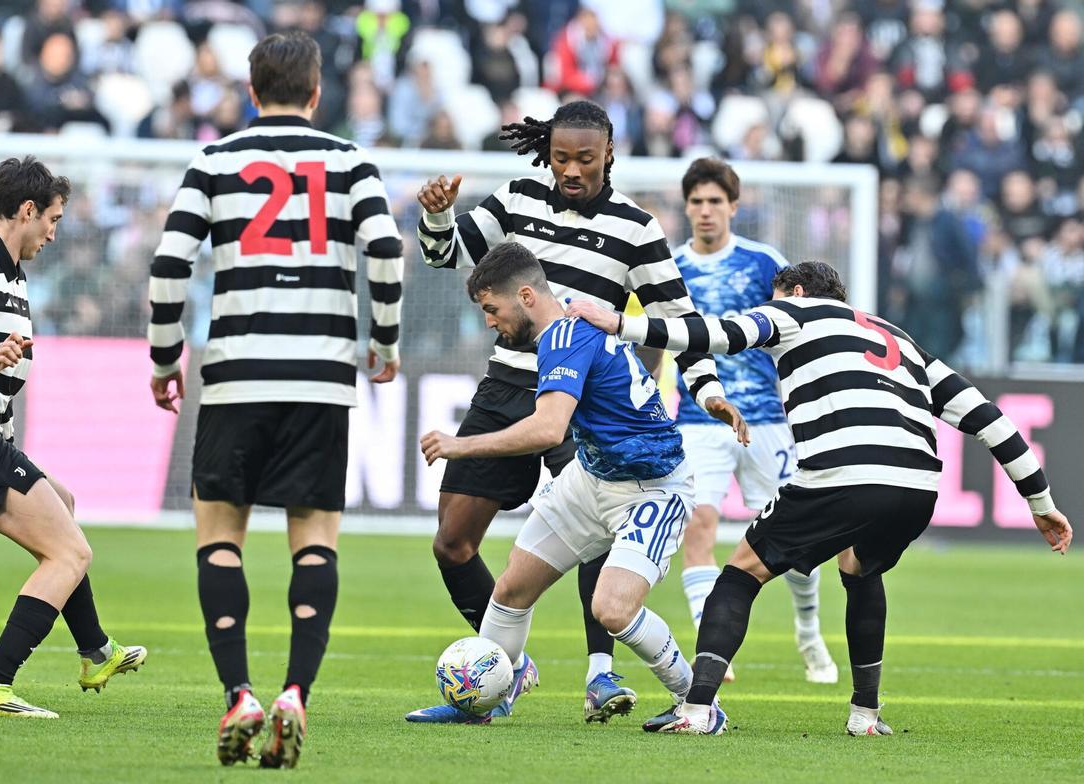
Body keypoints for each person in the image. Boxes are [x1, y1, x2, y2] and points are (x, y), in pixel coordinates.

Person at [566, 262, 1073, 734]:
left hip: (844, 471)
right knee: (859, 567)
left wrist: (618, 323)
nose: (770, 306)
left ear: (797, 291)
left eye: (775, 297)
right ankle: (866, 715)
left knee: (741, 574)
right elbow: (988, 418)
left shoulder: (794, 311)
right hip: (918, 485)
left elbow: (712, 335)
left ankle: (697, 710)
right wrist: (1040, 502)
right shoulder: (900, 338)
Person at [410, 99, 744, 724]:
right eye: (560, 157)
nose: (569, 170)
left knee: (602, 541)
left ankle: (601, 673)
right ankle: (499, 674)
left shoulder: (636, 228)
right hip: (509, 386)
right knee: (454, 543)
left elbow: (679, 325)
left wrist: (706, 390)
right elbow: (450, 258)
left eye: (584, 160)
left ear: (609, 154)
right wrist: (437, 218)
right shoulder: (517, 198)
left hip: (586, 402)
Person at [147, 31, 404, 768]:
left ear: (251, 91)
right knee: (314, 540)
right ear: (317, 93)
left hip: (235, 374)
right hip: (320, 376)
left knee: (219, 538)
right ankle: (296, 691)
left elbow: (170, 263)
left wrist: (166, 358)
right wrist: (382, 342)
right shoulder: (351, 162)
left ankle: (240, 694)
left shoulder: (215, 161)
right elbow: (385, 252)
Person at [0, 156, 146, 720]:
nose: (55, 234)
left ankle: (97, 652)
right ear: (27, 210)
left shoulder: (10, 273)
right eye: (53, 220)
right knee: (70, 551)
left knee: (62, 504)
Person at [670, 158, 837, 685]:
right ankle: (709, 642)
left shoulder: (766, 264)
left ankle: (808, 632)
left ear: (734, 207)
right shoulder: (670, 268)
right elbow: (663, 341)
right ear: (686, 207)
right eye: (696, 201)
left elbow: (804, 325)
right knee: (697, 524)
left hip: (769, 418)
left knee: (796, 542)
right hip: (699, 416)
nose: (704, 211)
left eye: (714, 201)